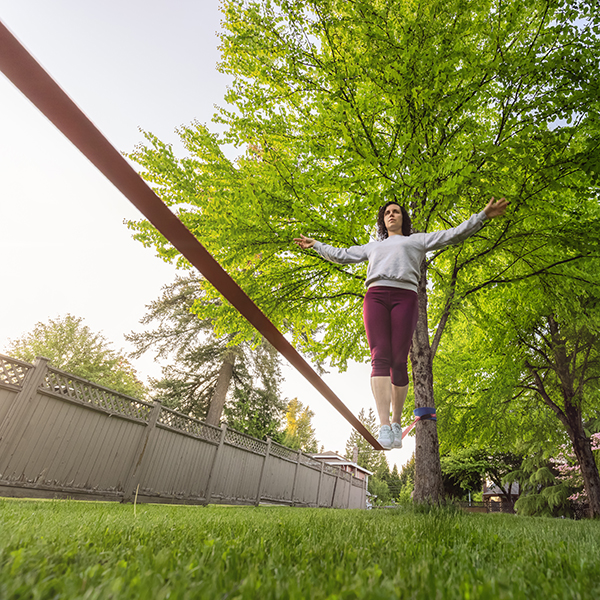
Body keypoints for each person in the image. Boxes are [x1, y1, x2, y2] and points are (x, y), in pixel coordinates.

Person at [293, 198, 509, 450]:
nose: (391, 215)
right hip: (375, 296)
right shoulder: (373, 246)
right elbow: (342, 256)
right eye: (387, 213)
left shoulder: (415, 241)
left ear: (403, 219)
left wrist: (482, 215)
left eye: (396, 211)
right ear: (383, 220)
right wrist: (316, 244)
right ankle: (384, 424)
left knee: (399, 361)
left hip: (405, 297)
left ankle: (396, 422)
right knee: (380, 356)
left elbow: (453, 235)